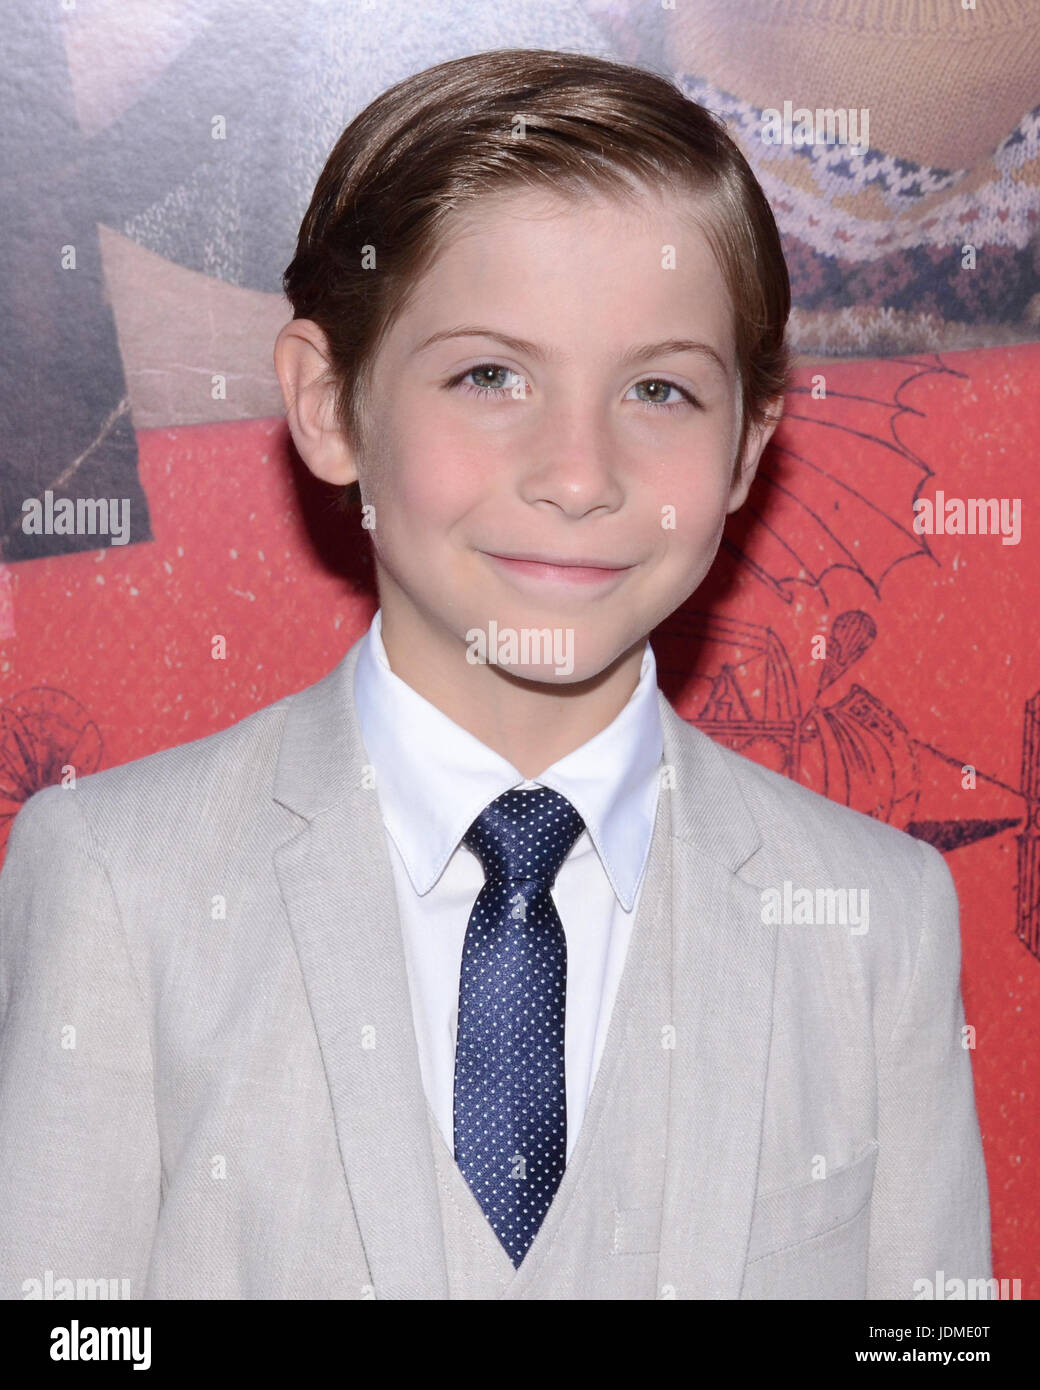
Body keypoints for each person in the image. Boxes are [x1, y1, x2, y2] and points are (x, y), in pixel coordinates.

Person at [0, 48, 990, 1300]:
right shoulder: (117, 884)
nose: (577, 473)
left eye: (659, 388)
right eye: (489, 375)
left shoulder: (875, 920)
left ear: (748, 445)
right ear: (328, 403)